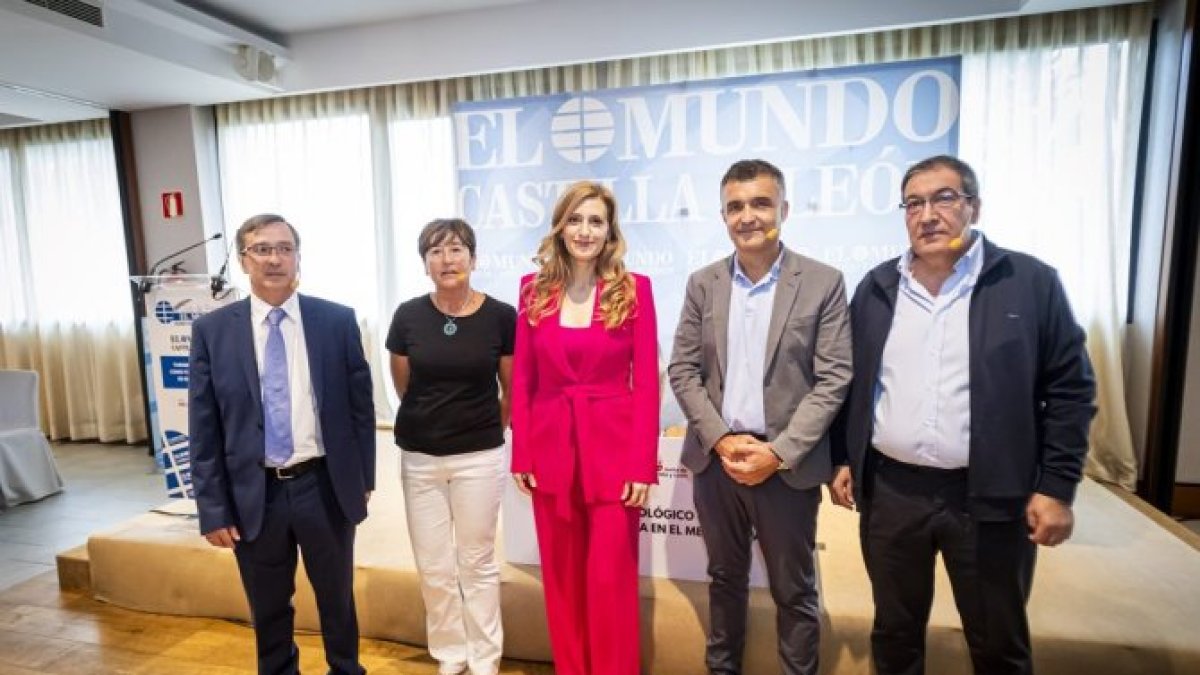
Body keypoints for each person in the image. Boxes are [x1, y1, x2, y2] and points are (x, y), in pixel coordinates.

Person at [829, 154, 1096, 675]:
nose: (928, 214)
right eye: (914, 203)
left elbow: (1070, 389)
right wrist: (844, 457)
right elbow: (855, 383)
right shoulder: (878, 287)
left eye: (944, 198)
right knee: (894, 634)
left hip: (990, 497)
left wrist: (1056, 487)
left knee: (997, 643)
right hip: (892, 494)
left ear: (973, 206)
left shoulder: (1028, 282)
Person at [668, 159, 852, 675]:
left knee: (794, 590)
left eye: (760, 203)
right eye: (735, 206)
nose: (747, 216)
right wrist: (723, 440)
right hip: (717, 462)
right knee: (723, 579)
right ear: (724, 215)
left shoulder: (822, 282)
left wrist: (778, 453)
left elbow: (834, 377)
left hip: (785, 466)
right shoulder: (703, 283)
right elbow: (682, 369)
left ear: (784, 210)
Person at [188, 214, 375, 675]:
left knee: (336, 598)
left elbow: (360, 410)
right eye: (262, 249)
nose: (275, 258)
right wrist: (213, 507)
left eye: (284, 248)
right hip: (255, 492)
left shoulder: (336, 320)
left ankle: (346, 669)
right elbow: (204, 426)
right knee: (269, 605)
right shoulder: (212, 331)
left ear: (297, 256)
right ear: (243, 259)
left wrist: (362, 480)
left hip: (322, 483)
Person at [510, 180, 659, 675]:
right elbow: (525, 379)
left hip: (615, 459)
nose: (585, 230)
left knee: (610, 583)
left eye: (596, 221)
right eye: (575, 219)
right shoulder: (533, 290)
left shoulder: (635, 289)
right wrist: (522, 454)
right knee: (562, 581)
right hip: (552, 456)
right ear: (559, 227)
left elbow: (648, 386)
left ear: (610, 230)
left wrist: (643, 463)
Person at [386, 218, 515, 675]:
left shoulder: (501, 316)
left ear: (474, 259)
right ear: (425, 264)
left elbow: (510, 391)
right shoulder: (407, 315)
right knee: (434, 566)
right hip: (420, 458)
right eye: (436, 252)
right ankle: (451, 653)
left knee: (476, 562)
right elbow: (404, 385)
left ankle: (484, 657)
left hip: (479, 456)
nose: (447, 260)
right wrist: (434, 422)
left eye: (457, 249)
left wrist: (481, 430)